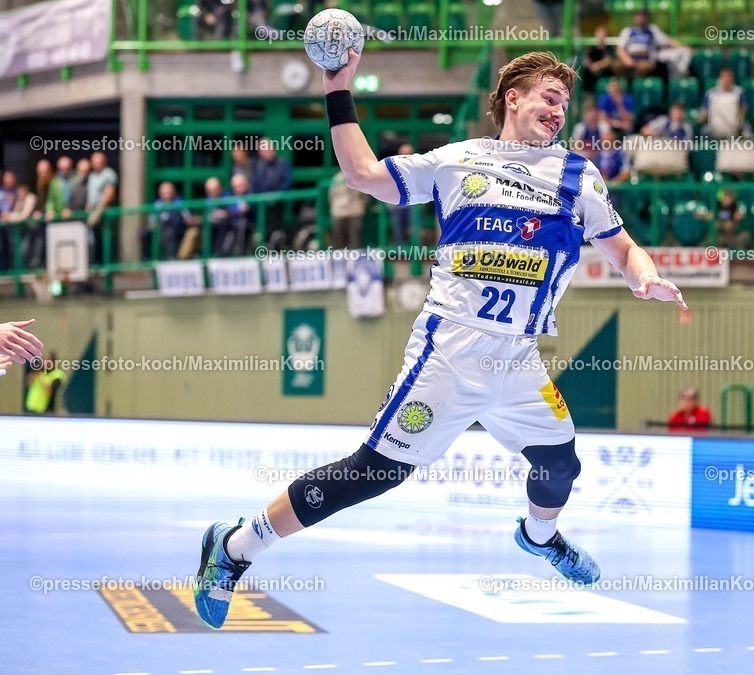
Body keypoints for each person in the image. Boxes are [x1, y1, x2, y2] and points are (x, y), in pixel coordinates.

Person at [193, 50, 688, 630]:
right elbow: (364, 175)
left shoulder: (578, 174)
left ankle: (539, 536)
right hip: (449, 355)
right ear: (512, 98)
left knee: (560, 464)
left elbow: (622, 245)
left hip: (520, 358)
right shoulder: (457, 161)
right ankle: (233, 549)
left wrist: (644, 274)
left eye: (563, 103)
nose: (558, 112)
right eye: (548, 98)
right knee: (372, 473)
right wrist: (338, 90)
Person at [613, 9, 679, 82]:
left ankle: (638, 86)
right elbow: (620, 49)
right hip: (630, 59)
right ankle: (623, 86)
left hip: (646, 60)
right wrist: (627, 60)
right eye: (638, 16)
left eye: (643, 16)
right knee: (617, 65)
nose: (641, 18)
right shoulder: (628, 31)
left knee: (643, 68)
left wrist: (683, 46)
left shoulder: (652, 30)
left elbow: (667, 41)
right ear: (634, 18)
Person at [698, 68, 747, 139]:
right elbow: (705, 112)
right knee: (703, 131)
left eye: (729, 78)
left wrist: (739, 124)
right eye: (725, 77)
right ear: (720, 79)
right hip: (714, 129)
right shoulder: (711, 93)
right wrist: (700, 118)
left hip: (732, 128)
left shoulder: (738, 92)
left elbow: (743, 109)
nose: (727, 80)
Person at [329, 167, 369, 250]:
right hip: (339, 213)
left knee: (355, 241)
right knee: (339, 244)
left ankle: (357, 262)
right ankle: (339, 262)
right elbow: (332, 196)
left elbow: (364, 196)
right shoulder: (336, 179)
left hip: (354, 213)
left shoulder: (358, 177)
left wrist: (361, 207)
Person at [581, 26, 614, 94]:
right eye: (598, 35)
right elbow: (587, 61)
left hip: (606, 73)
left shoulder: (610, 48)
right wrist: (590, 65)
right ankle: (587, 94)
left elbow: (609, 60)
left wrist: (598, 65)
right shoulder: (592, 48)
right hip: (592, 73)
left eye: (603, 35)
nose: (600, 37)